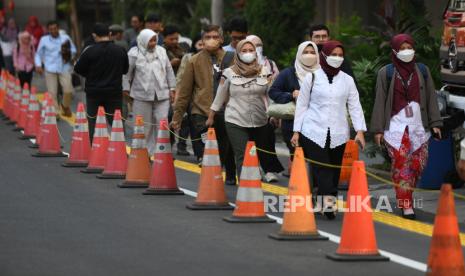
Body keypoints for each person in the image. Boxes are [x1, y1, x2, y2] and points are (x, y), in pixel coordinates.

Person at [291, 40, 367, 220]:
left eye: (340, 55)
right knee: (322, 168)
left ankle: (326, 200)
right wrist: (296, 131)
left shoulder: (347, 80)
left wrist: (360, 131)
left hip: (339, 132)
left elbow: (355, 106)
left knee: (334, 169)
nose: (337, 58)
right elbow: (302, 105)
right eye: (333, 55)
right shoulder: (313, 77)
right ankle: (329, 203)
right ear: (324, 56)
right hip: (312, 130)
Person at [370, 34, 442, 220]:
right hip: (395, 128)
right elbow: (379, 102)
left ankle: (407, 195)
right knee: (402, 166)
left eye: (409, 47)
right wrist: (378, 129)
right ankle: (406, 204)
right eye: (401, 48)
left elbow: (431, 99)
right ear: (394, 51)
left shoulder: (422, 71)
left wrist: (435, 123)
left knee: (418, 165)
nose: (406, 52)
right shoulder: (385, 73)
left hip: (419, 126)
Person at [206, 39, 283, 181]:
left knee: (255, 153)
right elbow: (219, 97)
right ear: (238, 53)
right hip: (235, 119)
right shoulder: (229, 73)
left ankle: (254, 184)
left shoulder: (264, 71)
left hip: (259, 120)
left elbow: (271, 95)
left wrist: (275, 114)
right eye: (244, 51)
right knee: (243, 155)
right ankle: (245, 187)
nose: (248, 53)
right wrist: (211, 116)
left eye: (251, 50)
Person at [172, 25, 237, 185]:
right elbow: (185, 91)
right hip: (201, 111)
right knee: (206, 147)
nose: (211, 40)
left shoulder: (233, 58)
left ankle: (228, 173)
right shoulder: (194, 61)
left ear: (222, 39)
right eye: (207, 37)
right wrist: (177, 116)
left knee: (225, 146)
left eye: (215, 37)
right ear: (202, 40)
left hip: (226, 110)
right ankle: (210, 179)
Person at [269, 41, 320, 174]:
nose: (309, 55)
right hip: (292, 124)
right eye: (305, 52)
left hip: (318, 124)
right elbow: (273, 92)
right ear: (299, 54)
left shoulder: (323, 74)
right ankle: (300, 189)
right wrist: (291, 95)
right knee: (298, 158)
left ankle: (316, 189)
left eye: (312, 52)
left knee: (317, 160)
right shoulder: (288, 73)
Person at [123, 29, 176, 156]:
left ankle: (161, 152)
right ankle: (143, 153)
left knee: (162, 123)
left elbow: (169, 70)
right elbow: (126, 73)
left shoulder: (161, 51)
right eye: (150, 41)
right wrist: (125, 89)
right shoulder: (134, 53)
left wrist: (172, 88)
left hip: (162, 95)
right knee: (144, 125)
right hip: (141, 95)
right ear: (143, 40)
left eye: (154, 40)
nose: (153, 43)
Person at [74, 23, 129, 140]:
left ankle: (94, 150)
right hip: (114, 92)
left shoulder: (89, 51)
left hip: (94, 92)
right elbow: (125, 70)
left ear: (94, 36)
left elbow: (78, 69)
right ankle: (119, 150)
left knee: (93, 121)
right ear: (109, 34)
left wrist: (90, 74)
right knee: (116, 123)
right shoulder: (120, 51)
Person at [244, 34, 283, 182]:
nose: (257, 48)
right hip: (244, 111)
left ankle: (269, 170)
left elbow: (276, 90)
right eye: (253, 45)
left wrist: (275, 113)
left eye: (259, 44)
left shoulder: (270, 65)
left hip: (265, 111)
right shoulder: (239, 65)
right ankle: (252, 168)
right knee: (249, 142)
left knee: (266, 141)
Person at [35, 20, 76, 117]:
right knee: (52, 92)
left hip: (64, 67)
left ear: (58, 28)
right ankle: (56, 113)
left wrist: (67, 53)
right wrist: (38, 65)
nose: (53, 30)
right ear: (48, 30)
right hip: (50, 68)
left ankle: (65, 106)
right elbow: (38, 54)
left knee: (68, 90)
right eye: (51, 29)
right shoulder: (44, 40)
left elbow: (74, 50)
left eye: (55, 28)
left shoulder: (65, 38)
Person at [175, 35, 204, 161]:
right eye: (200, 44)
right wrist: (178, 95)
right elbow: (181, 77)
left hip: (209, 96)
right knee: (194, 125)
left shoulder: (215, 57)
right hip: (192, 97)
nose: (202, 46)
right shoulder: (188, 57)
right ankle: (199, 154)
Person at [163, 24, 190, 156]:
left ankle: (182, 144)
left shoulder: (184, 48)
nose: (174, 42)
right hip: (167, 88)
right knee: (169, 117)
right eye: (171, 39)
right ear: (164, 38)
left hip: (183, 87)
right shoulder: (161, 51)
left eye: (176, 39)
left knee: (185, 118)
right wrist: (170, 64)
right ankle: (169, 144)